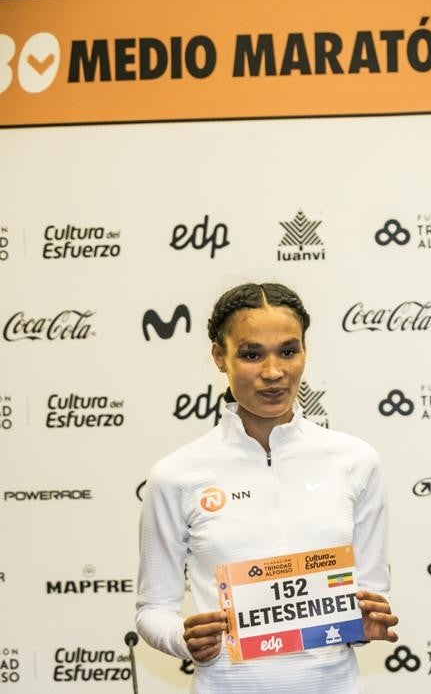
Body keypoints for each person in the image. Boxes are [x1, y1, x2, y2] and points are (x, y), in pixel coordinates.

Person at [136, 282, 398, 692]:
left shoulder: (355, 460)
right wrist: (181, 637)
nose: (273, 372)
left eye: (288, 351)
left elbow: (371, 591)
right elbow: (153, 608)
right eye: (252, 354)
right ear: (219, 356)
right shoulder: (176, 474)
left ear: (305, 353)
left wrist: (365, 622)